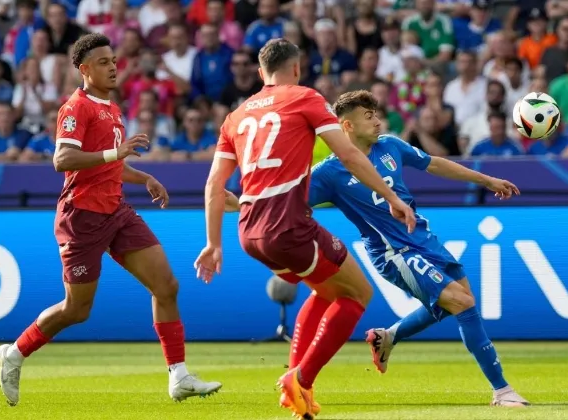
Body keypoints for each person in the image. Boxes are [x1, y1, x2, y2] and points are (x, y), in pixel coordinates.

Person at [225, 90, 529, 407]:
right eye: (368, 116)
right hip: (392, 252)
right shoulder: (329, 173)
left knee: (456, 302)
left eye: (376, 114)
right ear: (346, 126)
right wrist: (240, 203)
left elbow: (434, 164)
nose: (377, 120)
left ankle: (389, 337)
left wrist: (487, 180)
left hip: (424, 239)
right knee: (461, 302)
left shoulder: (390, 146)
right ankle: (502, 391)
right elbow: (286, 201)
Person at [0, 34, 221, 407]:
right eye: (103, 62)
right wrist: (115, 153)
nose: (113, 67)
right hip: (81, 217)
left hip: (116, 211)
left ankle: (179, 376)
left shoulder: (112, 109)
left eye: (114, 60)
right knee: (77, 310)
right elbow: (63, 160)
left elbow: (109, 164)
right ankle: (15, 352)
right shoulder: (76, 107)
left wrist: (144, 177)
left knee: (166, 286)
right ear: (84, 70)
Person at [194, 39, 416, 420]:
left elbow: (214, 184)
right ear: (297, 68)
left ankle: (300, 390)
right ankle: (300, 378)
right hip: (288, 225)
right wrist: (391, 197)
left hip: (248, 233)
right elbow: (349, 155)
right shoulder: (305, 97)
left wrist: (213, 243)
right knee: (357, 293)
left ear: (260, 72)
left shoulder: (236, 116)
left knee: (325, 290)